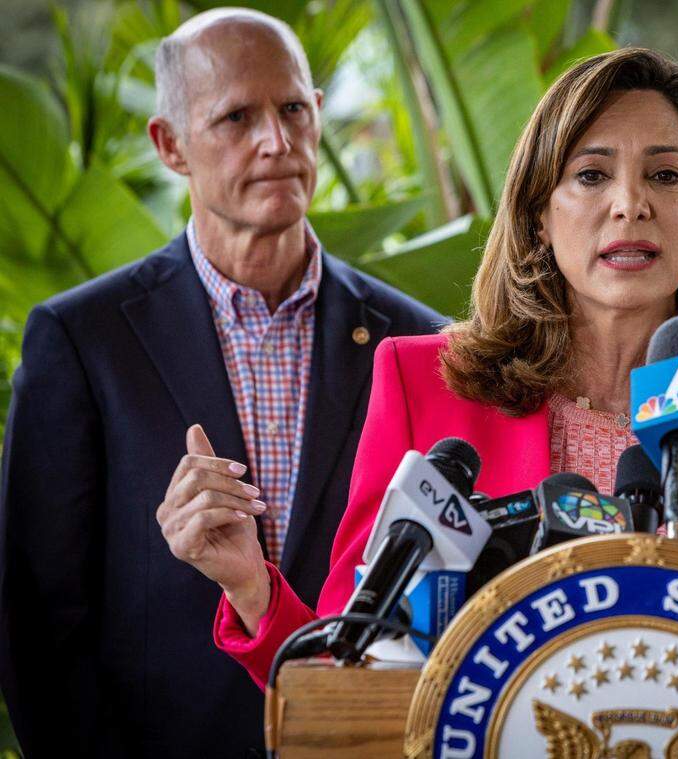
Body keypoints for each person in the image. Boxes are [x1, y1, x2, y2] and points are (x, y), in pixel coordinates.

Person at [155, 48, 678, 690]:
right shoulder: (424, 384)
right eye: (591, 175)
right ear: (539, 215)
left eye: (667, 176)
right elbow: (350, 668)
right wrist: (251, 586)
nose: (630, 204)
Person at [0, 9, 443, 758]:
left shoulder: (415, 340)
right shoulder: (84, 339)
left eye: (293, 109)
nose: (276, 141)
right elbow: (39, 622)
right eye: (236, 116)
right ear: (170, 144)